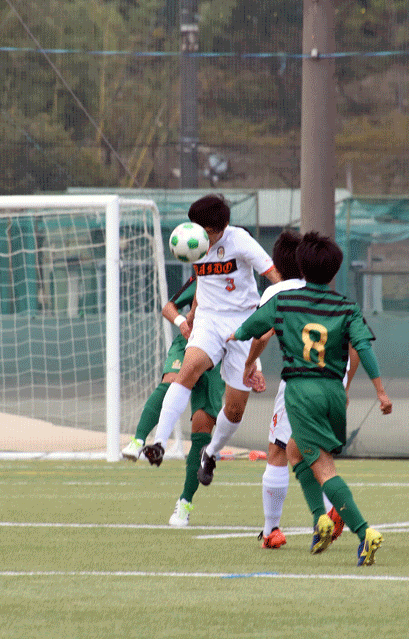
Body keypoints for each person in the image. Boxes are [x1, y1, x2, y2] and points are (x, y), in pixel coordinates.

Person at [229, 232, 393, 565]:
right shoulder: (346, 306)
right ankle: (320, 519)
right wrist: (380, 391)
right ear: (335, 272)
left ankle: (364, 532)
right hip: (334, 390)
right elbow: (362, 347)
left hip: (302, 391)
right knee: (293, 450)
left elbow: (253, 328)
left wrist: (234, 335)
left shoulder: (284, 300)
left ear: (299, 268)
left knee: (322, 467)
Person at [141, 195, 281, 494]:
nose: (199, 235)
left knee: (234, 410)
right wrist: (190, 316)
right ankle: (159, 442)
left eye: (206, 230)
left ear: (221, 228)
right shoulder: (193, 241)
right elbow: (201, 284)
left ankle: (212, 451)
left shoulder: (240, 241)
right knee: (188, 369)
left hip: (242, 323)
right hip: (208, 321)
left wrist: (278, 307)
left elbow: (273, 275)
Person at [243, 230, 352, 550]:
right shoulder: (323, 292)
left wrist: (250, 365)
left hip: (303, 382)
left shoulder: (278, 292)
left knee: (278, 451)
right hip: (334, 379)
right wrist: (346, 385)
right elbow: (356, 344)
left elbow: (261, 334)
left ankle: (272, 530)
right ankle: (331, 512)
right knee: (310, 452)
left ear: (277, 263)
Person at [121, 274, 227, 527]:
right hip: (190, 342)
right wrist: (181, 322)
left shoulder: (244, 289)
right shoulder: (205, 276)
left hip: (221, 351)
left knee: (202, 426)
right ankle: (138, 440)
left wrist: (252, 365)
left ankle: (185, 503)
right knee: (171, 380)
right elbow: (169, 306)